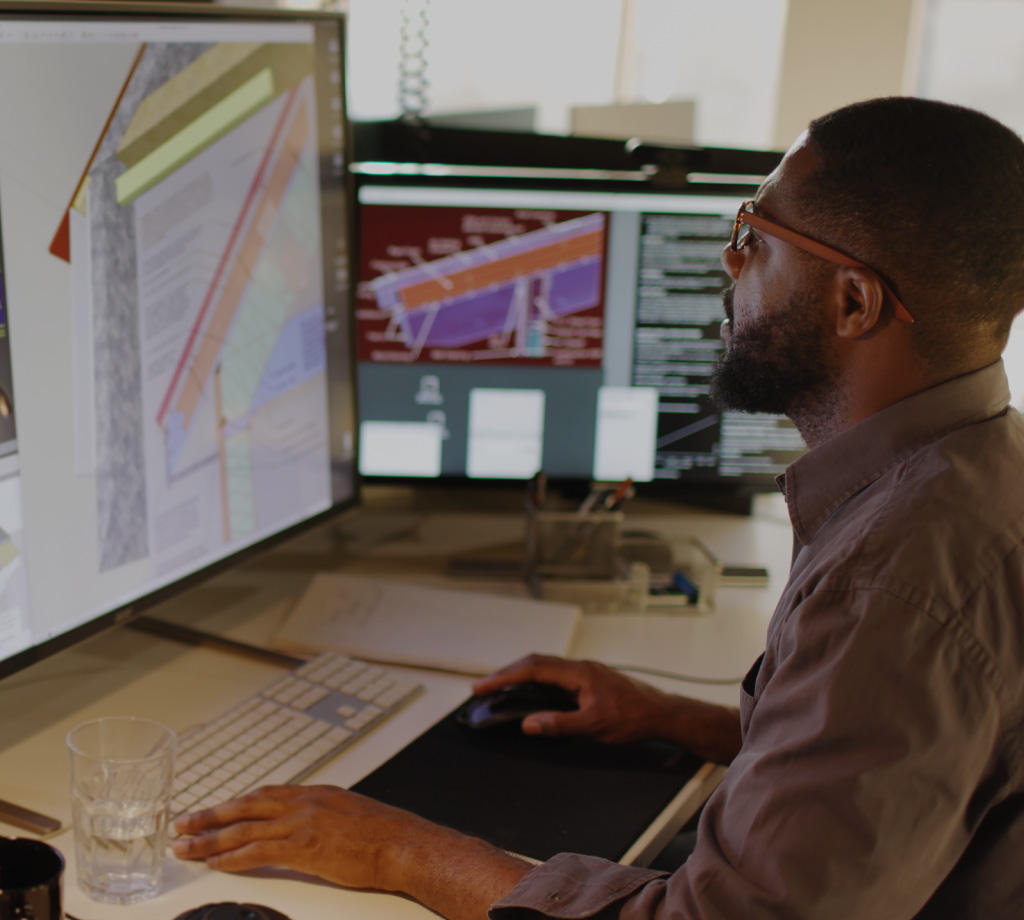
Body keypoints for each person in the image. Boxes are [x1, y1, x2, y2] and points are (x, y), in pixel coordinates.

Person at [172, 96, 1024, 919]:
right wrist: (671, 720)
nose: (730, 263)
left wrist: (400, 851)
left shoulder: (901, 580)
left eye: (754, 239)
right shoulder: (973, 474)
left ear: (853, 301)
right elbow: (886, 768)